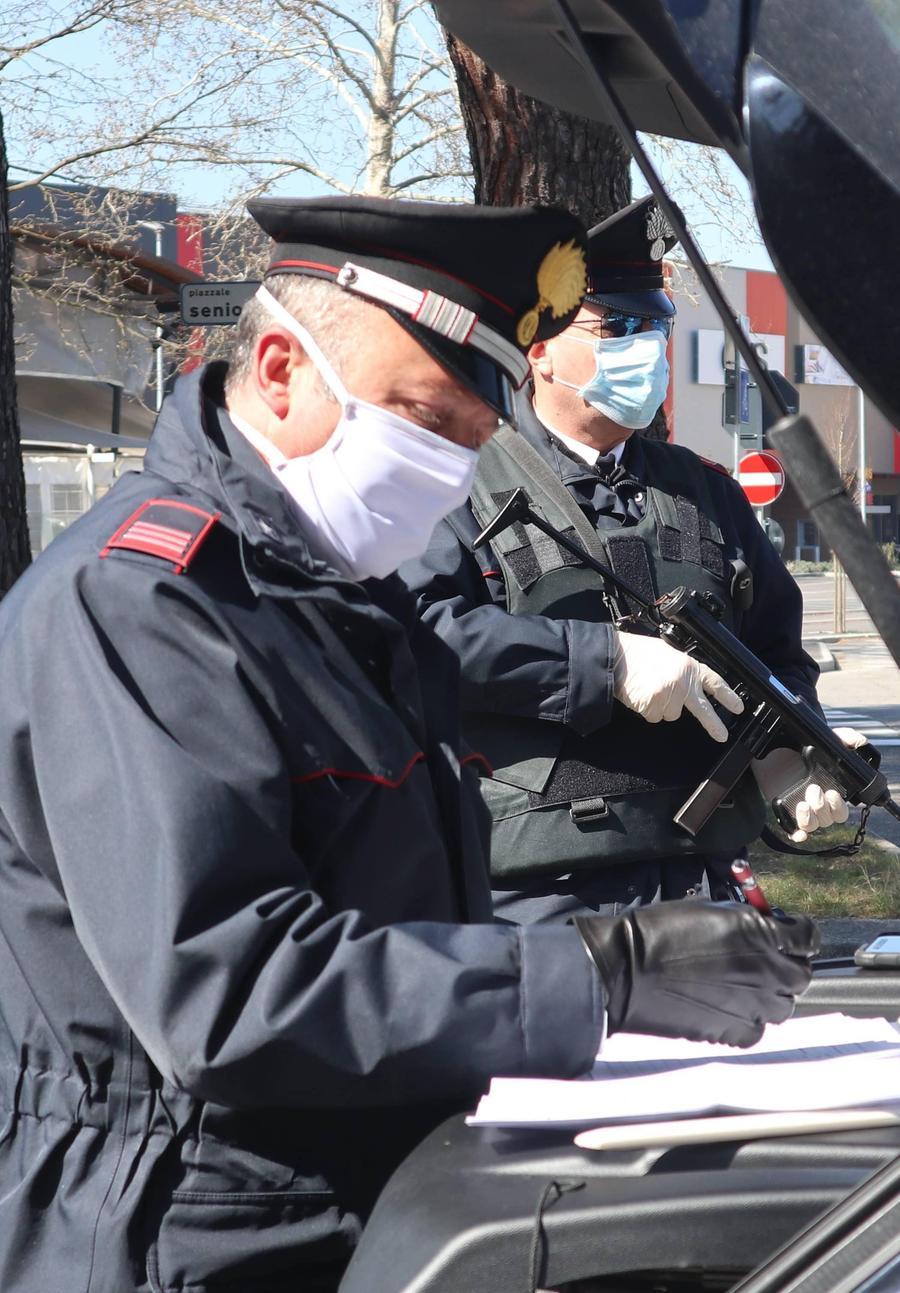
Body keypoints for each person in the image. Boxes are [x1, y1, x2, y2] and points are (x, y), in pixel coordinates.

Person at [0, 195, 817, 1293]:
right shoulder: (144, 605)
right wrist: (597, 973)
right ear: (284, 371)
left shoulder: (342, 591)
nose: (445, 473)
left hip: (359, 1173)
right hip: (193, 1214)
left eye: (473, 442)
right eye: (425, 423)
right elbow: (228, 993)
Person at [401, 196, 861, 925]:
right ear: (540, 348)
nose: (643, 346)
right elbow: (420, 638)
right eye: (616, 326)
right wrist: (603, 662)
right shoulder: (461, 484)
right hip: (534, 894)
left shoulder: (707, 494)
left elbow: (776, 653)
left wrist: (795, 756)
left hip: (701, 882)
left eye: (656, 326)